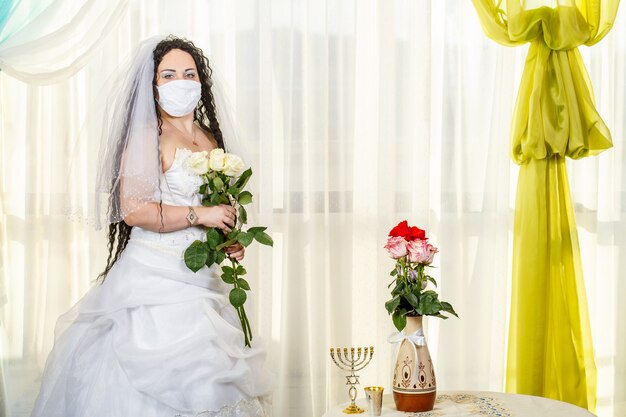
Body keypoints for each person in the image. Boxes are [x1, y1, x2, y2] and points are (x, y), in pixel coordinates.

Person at [30, 35, 273, 417]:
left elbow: (214, 204)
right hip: (154, 277)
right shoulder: (149, 135)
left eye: (189, 74)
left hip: (203, 278)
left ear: (201, 82)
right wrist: (200, 216)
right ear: (153, 86)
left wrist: (226, 232)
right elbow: (134, 210)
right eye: (169, 75)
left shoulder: (209, 137)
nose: (181, 82)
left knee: (217, 380)